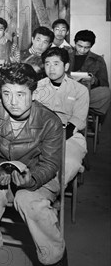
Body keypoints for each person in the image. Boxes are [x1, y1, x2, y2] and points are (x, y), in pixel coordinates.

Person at [0, 63, 69, 266]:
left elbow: (50, 163)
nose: (12, 101)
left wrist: (31, 179)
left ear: (33, 94)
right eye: (6, 93)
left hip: (38, 177)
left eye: (20, 94)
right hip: (4, 174)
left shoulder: (49, 121)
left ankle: (56, 259)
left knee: (28, 201)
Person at [34, 47, 88, 184]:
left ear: (66, 66)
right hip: (39, 133)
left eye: (56, 64)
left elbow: (75, 124)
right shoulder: (36, 88)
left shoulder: (80, 90)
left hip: (69, 135)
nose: (51, 68)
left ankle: (54, 191)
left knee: (68, 162)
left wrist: (53, 142)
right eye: (47, 64)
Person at [68, 29, 111, 144]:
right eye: (79, 46)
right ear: (74, 42)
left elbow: (104, 83)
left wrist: (94, 80)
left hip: (87, 95)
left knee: (106, 93)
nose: (82, 50)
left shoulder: (98, 60)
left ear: (91, 46)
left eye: (86, 47)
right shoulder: (65, 56)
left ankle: (75, 124)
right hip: (66, 93)